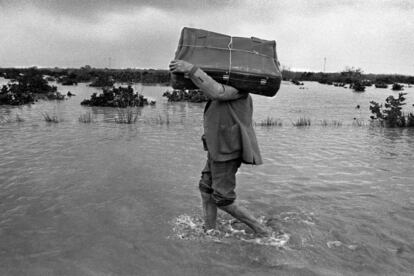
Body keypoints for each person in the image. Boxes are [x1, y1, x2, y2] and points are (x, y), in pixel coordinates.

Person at [169, 60, 269, 236]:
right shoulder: (228, 88)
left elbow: (216, 92)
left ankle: (263, 231)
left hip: (227, 150)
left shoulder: (239, 89)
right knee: (205, 189)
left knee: (223, 199)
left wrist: (191, 69)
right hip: (218, 149)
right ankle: (210, 231)